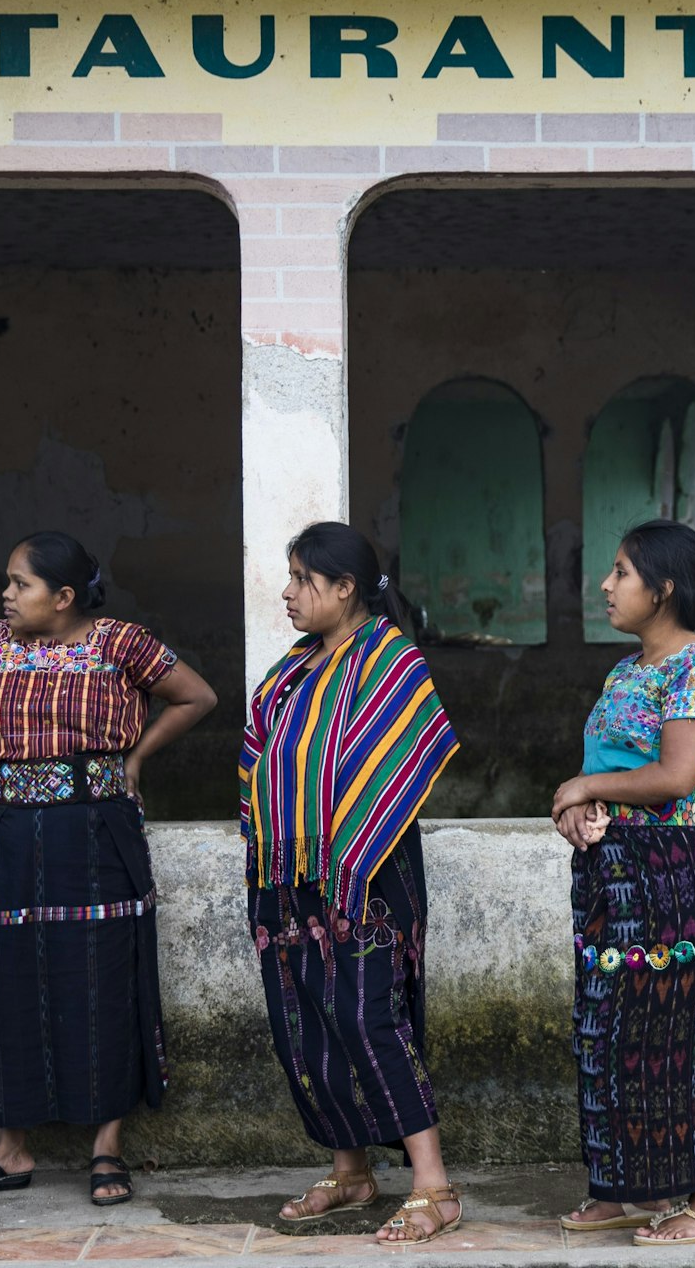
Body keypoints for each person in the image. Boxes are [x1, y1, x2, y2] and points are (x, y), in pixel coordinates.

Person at [0, 531, 216, 1206]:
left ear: (62, 598)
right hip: (11, 833)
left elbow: (195, 697)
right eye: (7, 581)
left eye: (19, 584)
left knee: (104, 976)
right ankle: (10, 1146)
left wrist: (135, 759)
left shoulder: (121, 643)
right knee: (4, 976)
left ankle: (106, 1145)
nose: (5, 595)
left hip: (98, 829)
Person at [241, 521, 464, 1246]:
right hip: (290, 877)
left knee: (372, 1019)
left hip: (366, 872)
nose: (289, 592)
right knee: (307, 1021)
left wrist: (349, 859)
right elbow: (261, 765)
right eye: (291, 577)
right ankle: (352, 1171)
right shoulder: (291, 671)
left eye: (303, 579)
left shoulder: (391, 661)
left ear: (345, 588)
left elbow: (404, 757)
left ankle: (434, 1186)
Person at [552, 519, 695, 1248]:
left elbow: (673, 778)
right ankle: (623, 1188)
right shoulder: (627, 672)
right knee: (607, 1034)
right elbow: (615, 786)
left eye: (622, 572)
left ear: (663, 589)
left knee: (678, 1034)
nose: (607, 585)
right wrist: (581, 814)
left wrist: (579, 784)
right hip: (612, 873)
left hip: (670, 875)